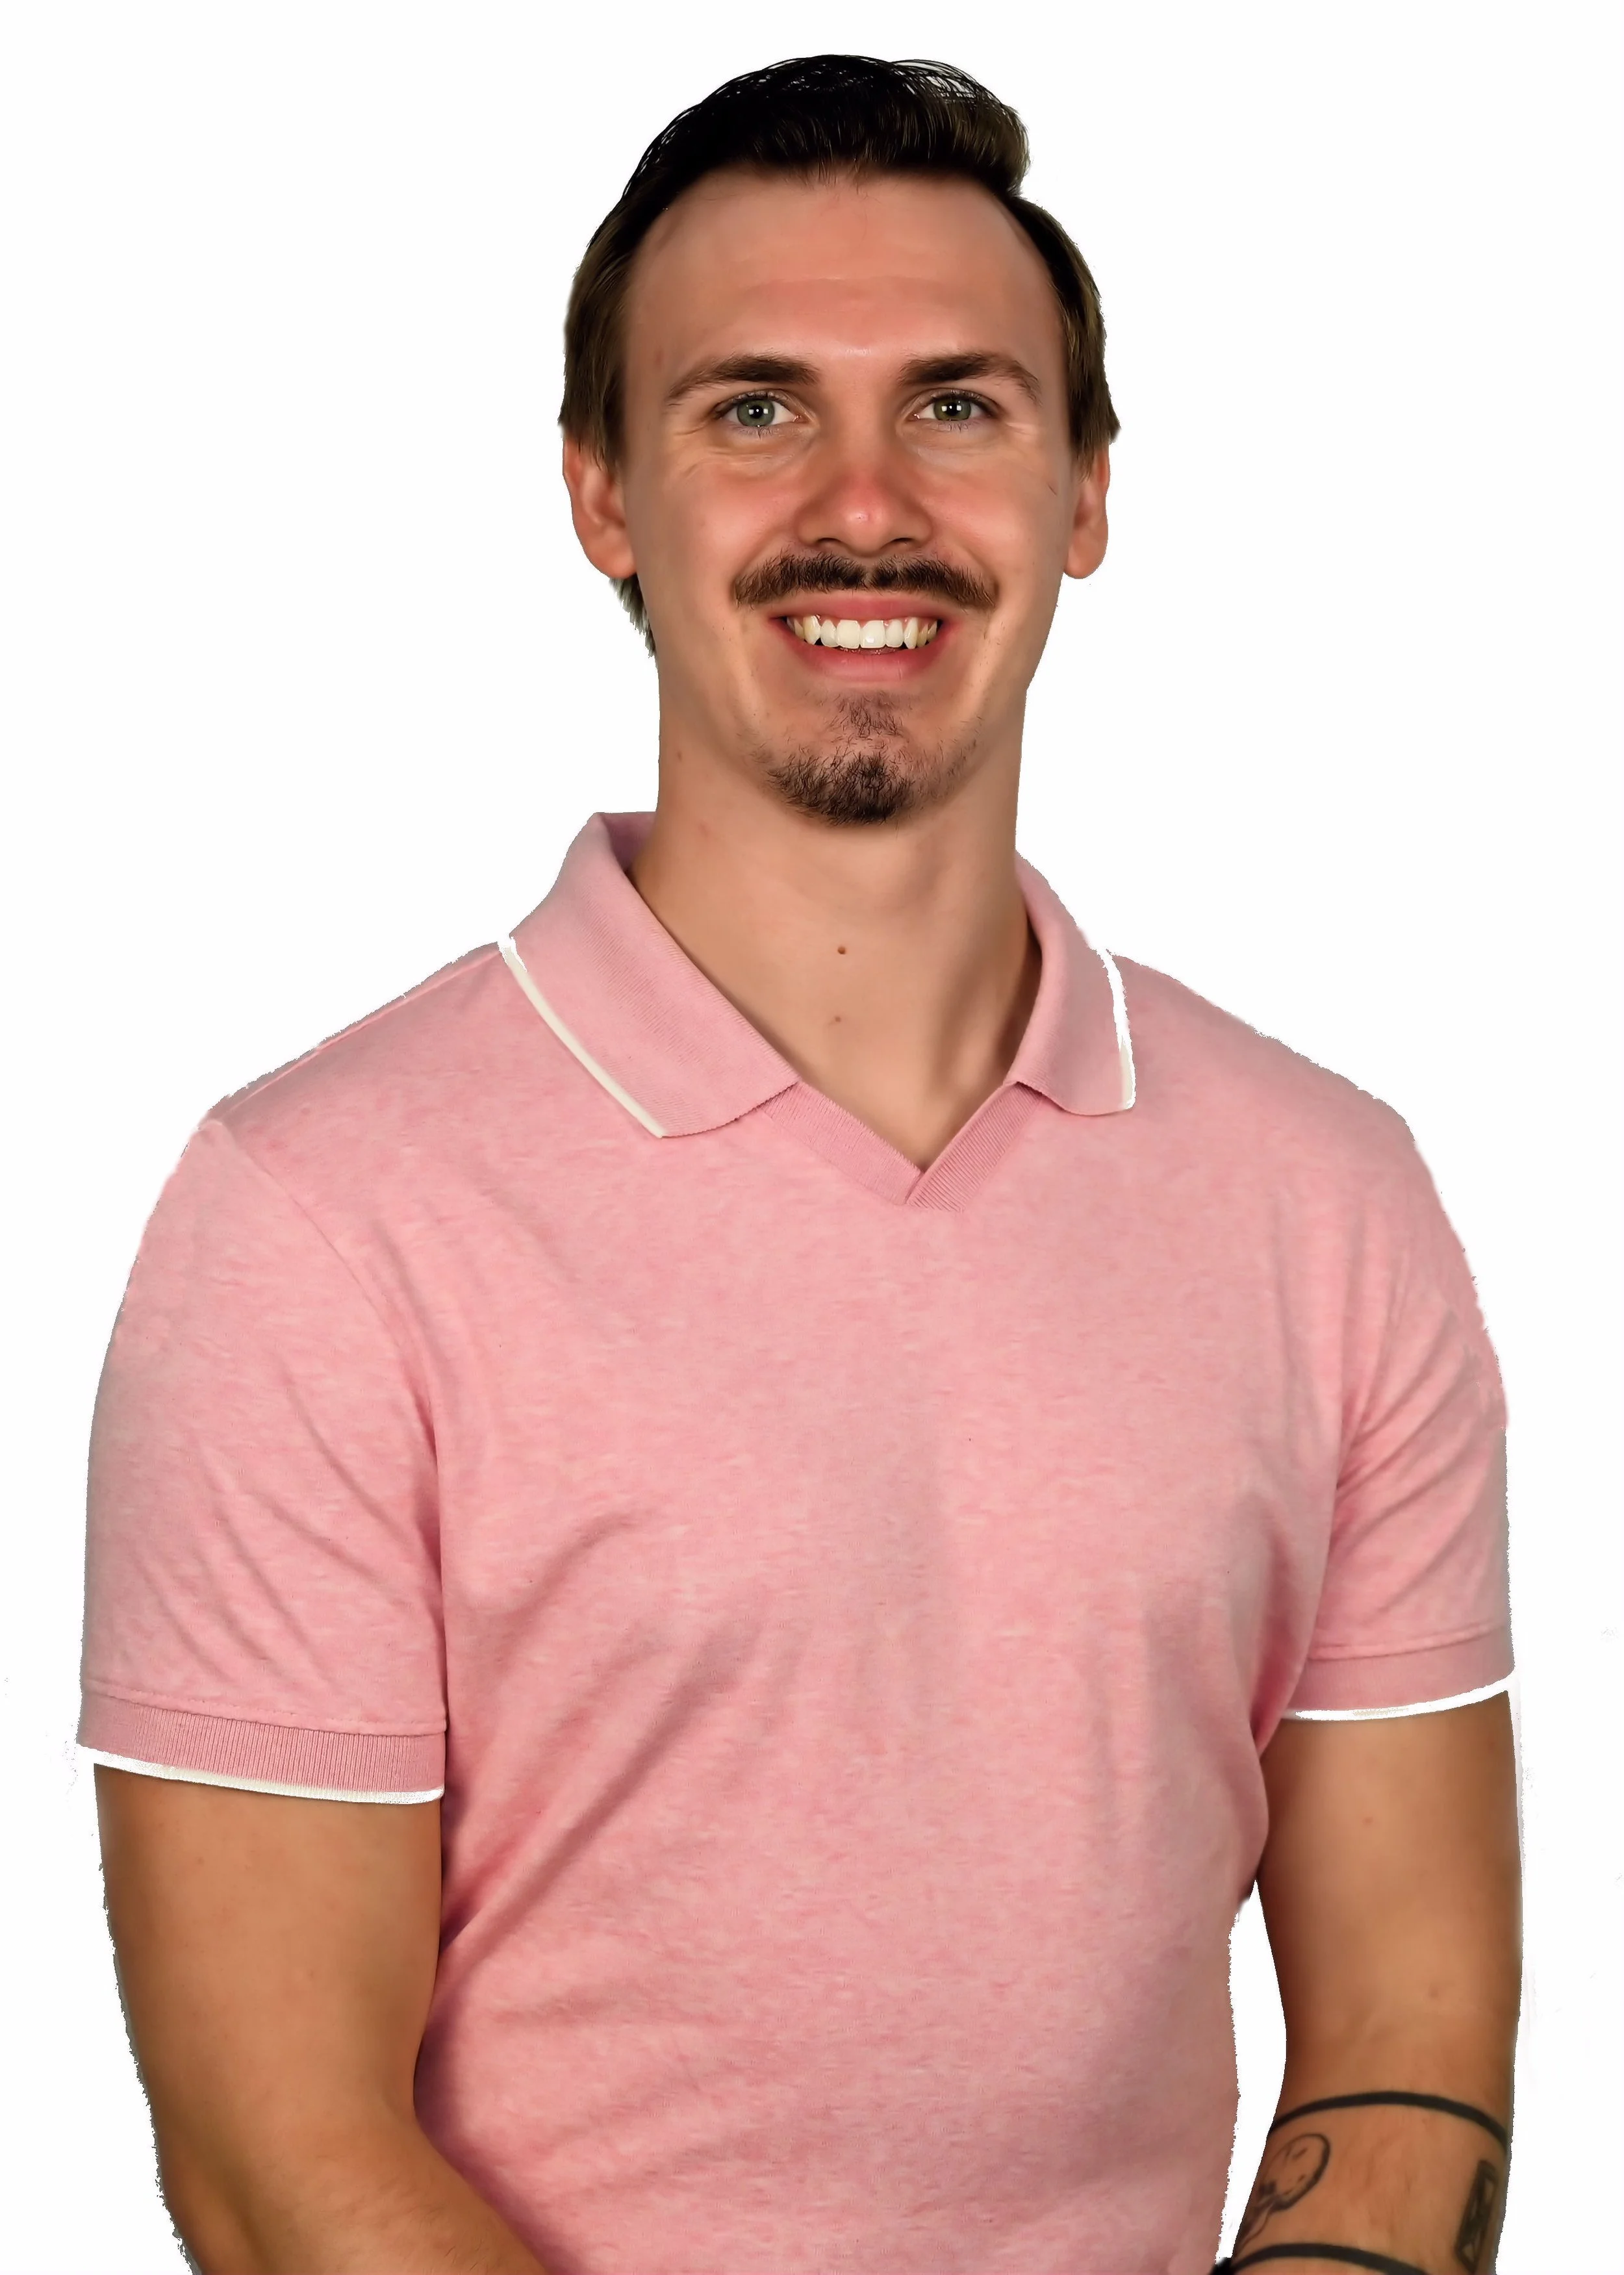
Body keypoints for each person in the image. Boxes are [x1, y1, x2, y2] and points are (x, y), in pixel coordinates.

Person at [81, 55, 1521, 2275]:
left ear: (1085, 491)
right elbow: (281, 2165)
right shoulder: (315, 1219)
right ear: (602, 495)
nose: (866, 503)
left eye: (956, 405)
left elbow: (1408, 2028)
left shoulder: (1327, 1197)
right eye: (753, 409)